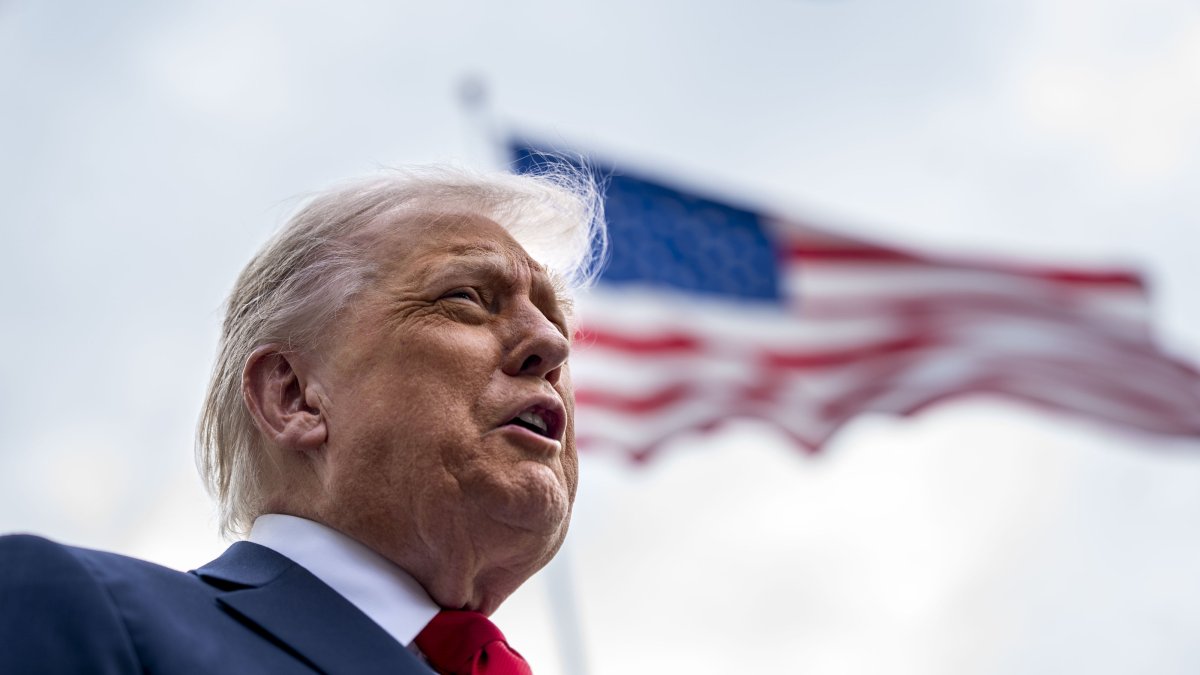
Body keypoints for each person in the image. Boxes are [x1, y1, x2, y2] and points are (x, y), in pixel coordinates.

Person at [0, 165, 606, 674]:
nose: (550, 344)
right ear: (293, 397)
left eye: (555, 319)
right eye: (467, 298)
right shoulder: (72, 608)